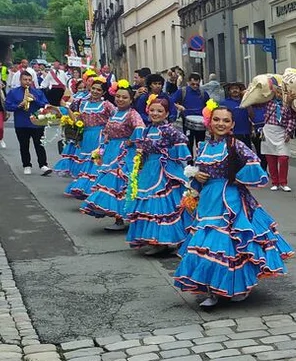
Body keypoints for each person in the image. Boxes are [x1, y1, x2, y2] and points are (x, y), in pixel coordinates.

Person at [172, 102, 293, 308]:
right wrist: (197, 179)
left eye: (226, 121)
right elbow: (196, 172)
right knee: (205, 244)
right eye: (217, 120)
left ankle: (234, 286)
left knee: (229, 244)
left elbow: (255, 164)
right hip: (208, 202)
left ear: (232, 125)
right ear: (209, 123)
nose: (221, 124)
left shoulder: (236, 145)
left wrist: (237, 177)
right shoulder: (202, 147)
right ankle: (213, 290)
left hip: (231, 200)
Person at [126, 97, 192, 255]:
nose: (155, 113)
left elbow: (181, 146)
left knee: (163, 205)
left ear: (167, 113)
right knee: (148, 203)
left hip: (164, 170)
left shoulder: (169, 130)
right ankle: (154, 239)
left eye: (160, 111)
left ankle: (163, 241)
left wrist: (172, 158)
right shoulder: (147, 129)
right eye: (152, 110)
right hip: (149, 170)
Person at [80, 82, 145, 231]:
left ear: (131, 100)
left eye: (124, 97)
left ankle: (125, 217)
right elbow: (108, 130)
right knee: (113, 184)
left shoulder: (132, 114)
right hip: (111, 151)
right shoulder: (115, 112)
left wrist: (131, 140)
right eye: (118, 96)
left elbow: (140, 128)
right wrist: (104, 143)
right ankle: (119, 218)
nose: (120, 99)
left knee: (120, 183)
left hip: (124, 153)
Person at [61, 78, 115, 199]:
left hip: (100, 136)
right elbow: (72, 113)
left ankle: (95, 190)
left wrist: (108, 132)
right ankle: (84, 189)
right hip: (86, 136)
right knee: (85, 162)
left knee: (96, 162)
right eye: (93, 88)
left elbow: (115, 118)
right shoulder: (82, 102)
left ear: (103, 93)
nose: (95, 91)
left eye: (99, 90)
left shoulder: (107, 105)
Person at [3, 71, 51, 175]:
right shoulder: (13, 92)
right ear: (20, 80)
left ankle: (43, 165)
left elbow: (46, 105)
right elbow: (7, 106)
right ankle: (27, 165)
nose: (27, 82)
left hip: (37, 122)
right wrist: (18, 106)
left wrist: (35, 99)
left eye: (29, 80)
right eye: (25, 80)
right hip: (21, 123)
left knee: (40, 145)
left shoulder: (37, 92)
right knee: (24, 145)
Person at [259, 88, 296, 192]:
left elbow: (292, 119)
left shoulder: (289, 106)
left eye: (281, 93)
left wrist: (289, 132)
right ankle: (275, 182)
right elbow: (257, 102)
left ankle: (283, 182)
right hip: (268, 131)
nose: (279, 95)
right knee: (271, 158)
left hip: (281, 131)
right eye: (278, 93)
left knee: (283, 158)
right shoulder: (268, 103)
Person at [173, 73, 210, 153]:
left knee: (200, 143)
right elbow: (172, 102)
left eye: (197, 84)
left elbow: (210, 105)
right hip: (187, 121)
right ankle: (190, 163)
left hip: (201, 122)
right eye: (193, 84)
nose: (195, 86)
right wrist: (179, 107)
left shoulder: (203, 93)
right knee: (188, 142)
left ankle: (200, 161)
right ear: (188, 82)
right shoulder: (182, 91)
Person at [220, 82, 253, 147]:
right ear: (229, 91)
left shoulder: (246, 101)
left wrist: (248, 102)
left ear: (240, 90)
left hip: (246, 133)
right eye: (232, 89)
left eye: (237, 88)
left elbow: (252, 116)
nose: (235, 90)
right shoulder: (224, 103)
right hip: (231, 133)